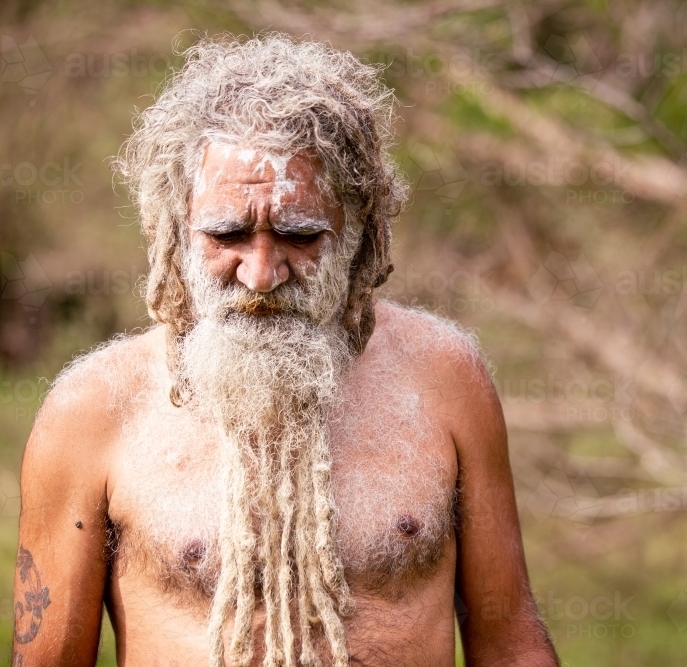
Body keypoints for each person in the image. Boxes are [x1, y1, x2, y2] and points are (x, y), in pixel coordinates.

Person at [12, 33, 558, 667]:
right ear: (175, 228)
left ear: (358, 231)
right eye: (227, 234)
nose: (261, 273)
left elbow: (510, 639)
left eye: (299, 235)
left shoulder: (445, 379)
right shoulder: (93, 411)